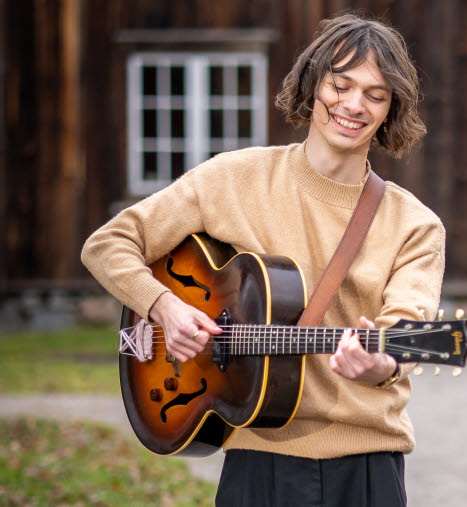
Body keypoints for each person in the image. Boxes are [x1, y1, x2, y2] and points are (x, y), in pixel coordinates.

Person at [81, 14, 444, 506]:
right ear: (313, 84)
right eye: (340, 85)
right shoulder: (233, 178)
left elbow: (407, 327)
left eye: (375, 95)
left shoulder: (414, 225)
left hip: (366, 469)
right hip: (256, 463)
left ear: (390, 110)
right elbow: (109, 244)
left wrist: (381, 363)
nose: (353, 105)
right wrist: (163, 305)